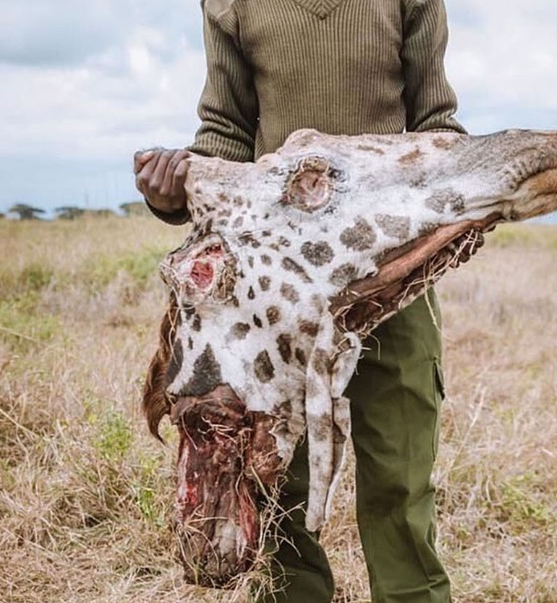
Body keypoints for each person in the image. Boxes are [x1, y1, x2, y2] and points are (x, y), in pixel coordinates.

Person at [134, 1, 465, 601]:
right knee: (277, 478)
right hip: (274, 293)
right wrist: (172, 189)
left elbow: (438, 127)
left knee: (401, 475)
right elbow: (226, 134)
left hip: (390, 276)